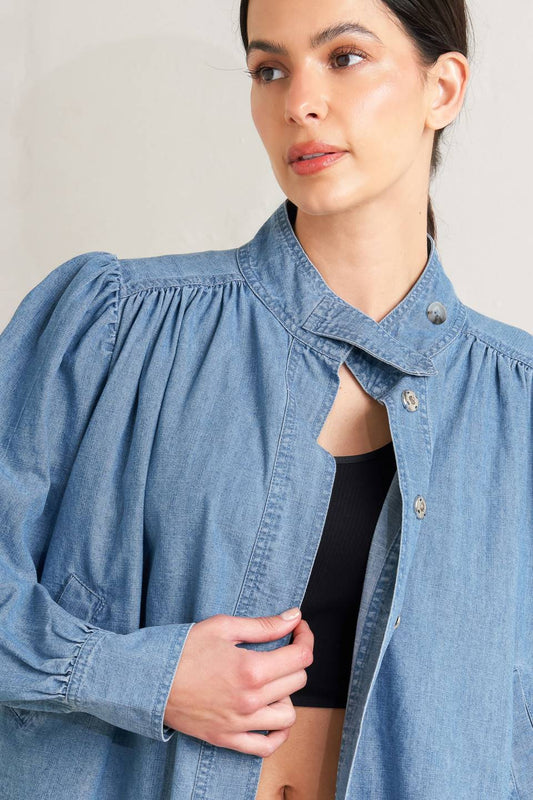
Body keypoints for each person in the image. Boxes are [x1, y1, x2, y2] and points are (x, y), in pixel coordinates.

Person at [0, 0, 531, 797]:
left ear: (442, 88)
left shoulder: (516, 404)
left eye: (343, 57)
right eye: (270, 69)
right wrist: (137, 675)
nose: (299, 102)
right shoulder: (115, 329)